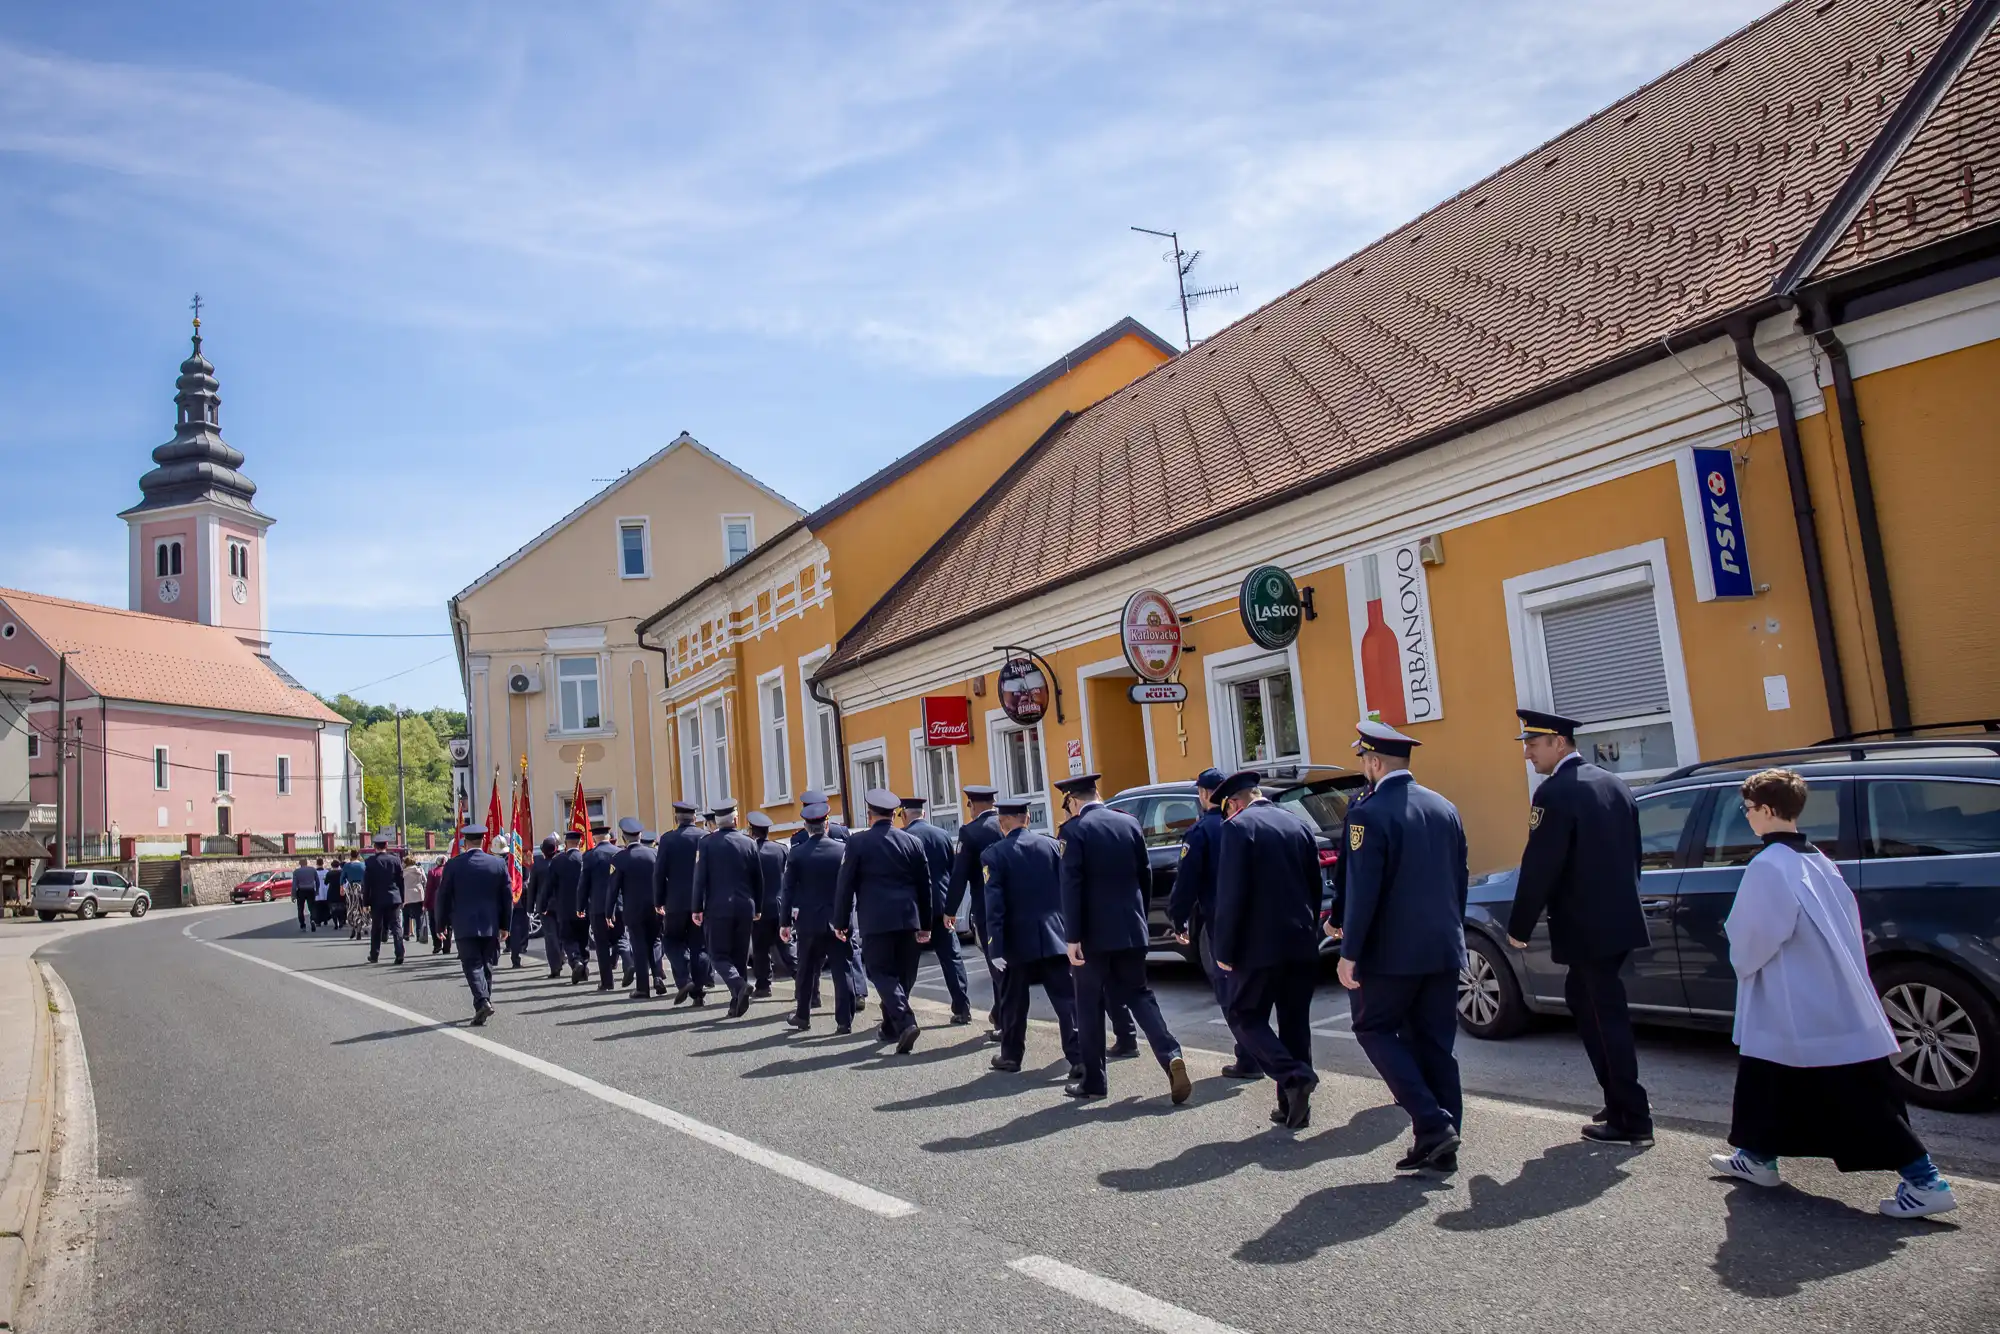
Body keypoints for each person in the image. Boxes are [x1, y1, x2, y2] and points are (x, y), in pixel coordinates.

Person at [1708, 769, 1957, 1218]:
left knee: (1853, 1093)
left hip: (1795, 996)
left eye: (1747, 810)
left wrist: (1737, 950)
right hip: (1826, 989)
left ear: (1765, 810)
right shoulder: (1818, 858)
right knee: (1768, 1079)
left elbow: (1754, 936)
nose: (1747, 817)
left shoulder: (1767, 866)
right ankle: (1757, 1156)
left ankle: (1925, 1180)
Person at [1506, 708, 1655, 1146]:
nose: (1529, 754)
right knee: (1587, 1003)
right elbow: (1635, 855)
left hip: (1588, 927)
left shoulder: (1555, 793)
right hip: (1618, 921)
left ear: (1558, 742)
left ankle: (1632, 1118)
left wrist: (1520, 925)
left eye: (1534, 745)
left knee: (1602, 1017)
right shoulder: (1612, 784)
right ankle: (1619, 1098)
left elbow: (1540, 866)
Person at [1338, 721, 1468, 1173]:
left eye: (1363, 761)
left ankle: (1432, 1124)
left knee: (1374, 1029)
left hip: (1392, 955)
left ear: (1374, 763)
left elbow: (1363, 891)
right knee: (1434, 1043)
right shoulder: (1444, 807)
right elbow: (1459, 880)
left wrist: (1349, 952)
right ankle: (1441, 1142)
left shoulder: (1367, 814)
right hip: (1443, 947)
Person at [1056, 773, 1190, 1105]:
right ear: (1097, 793)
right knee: (1139, 995)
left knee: (1088, 1005)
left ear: (1072, 801)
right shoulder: (1129, 824)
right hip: (1130, 927)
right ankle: (1170, 1053)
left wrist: (1072, 936)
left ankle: (1094, 1083)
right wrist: (1139, 918)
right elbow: (1144, 874)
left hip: (1092, 935)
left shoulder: (1073, 831)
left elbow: (1070, 886)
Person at [1212, 769, 1323, 1129]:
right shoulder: (1297, 824)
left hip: (1257, 948)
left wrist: (1224, 950)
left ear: (1233, 803)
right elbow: (1314, 886)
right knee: (1295, 1024)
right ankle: (1294, 1109)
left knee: (1245, 1015)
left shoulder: (1238, 828)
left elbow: (1231, 895)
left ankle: (1293, 1076)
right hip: (1301, 941)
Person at [1169, 768, 1260, 1080]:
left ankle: (1250, 1056)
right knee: (1251, 988)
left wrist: (1177, 920)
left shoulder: (1201, 832)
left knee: (1228, 990)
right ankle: (1255, 1050)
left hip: (1220, 922)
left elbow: (1186, 883)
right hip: (1256, 918)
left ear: (1205, 794)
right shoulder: (1247, 822)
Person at [983, 797, 1082, 1079]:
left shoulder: (994, 854)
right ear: (1028, 818)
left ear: (1002, 824)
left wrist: (995, 946)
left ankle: (1011, 1056)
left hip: (1016, 941)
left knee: (1013, 1002)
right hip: (1054, 934)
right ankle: (1078, 1057)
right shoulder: (1052, 845)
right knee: (1066, 1001)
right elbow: (1067, 889)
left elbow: (995, 905)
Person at [832, 788, 934, 1053]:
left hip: (876, 920)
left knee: (881, 973)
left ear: (870, 815)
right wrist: (926, 924)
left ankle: (905, 1022)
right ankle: (890, 1027)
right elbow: (926, 886)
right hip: (909, 919)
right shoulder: (913, 842)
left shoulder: (858, 843)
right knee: (903, 976)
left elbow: (845, 886)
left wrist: (841, 922)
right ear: (894, 815)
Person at [780, 797, 854, 1033]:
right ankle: (844, 1020)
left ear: (805, 827)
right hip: (837, 920)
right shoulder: (842, 850)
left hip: (808, 922)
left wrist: (785, 923)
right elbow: (849, 887)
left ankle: (803, 1015)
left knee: (805, 969)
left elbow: (788, 890)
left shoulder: (797, 854)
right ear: (827, 824)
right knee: (842, 969)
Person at [897, 795, 973, 1024]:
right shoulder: (941, 835)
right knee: (951, 957)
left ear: (903, 815)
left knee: (908, 961)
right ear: (924, 814)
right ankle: (962, 1008)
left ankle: (900, 1010)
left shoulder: (903, 838)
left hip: (915, 909)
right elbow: (952, 868)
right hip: (941, 905)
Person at [437, 822, 513, 1026]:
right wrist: (506, 925)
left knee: (472, 964)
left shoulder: (453, 865)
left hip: (464, 923)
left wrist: (440, 924)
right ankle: (483, 1003)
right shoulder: (497, 864)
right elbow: (506, 897)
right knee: (486, 964)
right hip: (490, 923)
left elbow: (443, 896)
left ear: (465, 843)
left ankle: (482, 1001)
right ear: (484, 841)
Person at [691, 801, 763, 1017]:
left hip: (718, 907)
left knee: (718, 955)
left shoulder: (706, 844)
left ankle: (738, 986)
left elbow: (699, 879)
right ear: (735, 820)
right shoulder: (749, 843)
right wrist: (757, 907)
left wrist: (696, 907)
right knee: (739, 955)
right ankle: (736, 1003)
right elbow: (758, 879)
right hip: (744, 907)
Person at [948, 785, 1004, 1036]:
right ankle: (1001, 1013)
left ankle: (1005, 1021)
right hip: (1015, 906)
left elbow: (959, 875)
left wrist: (949, 910)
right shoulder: (1006, 825)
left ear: (974, 805)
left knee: (997, 965)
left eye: (969, 805)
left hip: (987, 908)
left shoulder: (970, 832)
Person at [656, 801, 712, 1006]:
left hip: (676, 902)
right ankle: (698, 991)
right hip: (702, 902)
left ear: (676, 819)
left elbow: (659, 873)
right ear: (695, 818)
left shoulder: (668, 839)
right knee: (701, 946)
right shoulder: (705, 838)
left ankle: (684, 979)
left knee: (671, 942)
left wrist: (658, 900)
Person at [612, 817, 665, 999]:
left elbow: (614, 888)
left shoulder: (619, 858)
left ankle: (643, 988)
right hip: (655, 908)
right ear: (641, 835)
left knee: (640, 946)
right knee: (655, 942)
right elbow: (662, 880)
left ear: (624, 837)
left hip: (633, 910)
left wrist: (608, 911)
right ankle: (658, 976)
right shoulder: (654, 854)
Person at [747, 813, 796, 997]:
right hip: (779, 905)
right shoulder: (781, 849)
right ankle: (800, 976)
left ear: (752, 831)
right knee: (785, 945)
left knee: (760, 948)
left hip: (759, 907)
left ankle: (763, 985)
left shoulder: (750, 851)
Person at [580, 821, 627, 991]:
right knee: (621, 938)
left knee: (601, 944)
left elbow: (583, 884)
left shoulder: (590, 855)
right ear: (609, 837)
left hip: (598, 906)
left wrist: (580, 906)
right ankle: (628, 964)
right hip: (620, 904)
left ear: (594, 838)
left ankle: (607, 982)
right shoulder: (620, 853)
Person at [549, 828, 591, 982]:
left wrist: (543, 904)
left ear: (566, 843)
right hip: (584, 907)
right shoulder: (585, 858)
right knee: (583, 938)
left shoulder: (558, 860)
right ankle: (583, 968)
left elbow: (549, 885)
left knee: (568, 938)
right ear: (580, 842)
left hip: (564, 908)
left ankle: (575, 962)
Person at [362, 832, 406, 964]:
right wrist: (402, 898)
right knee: (396, 926)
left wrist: (365, 902)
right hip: (394, 898)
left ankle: (374, 955)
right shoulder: (395, 860)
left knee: (376, 927)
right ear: (387, 845)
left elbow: (367, 884)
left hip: (377, 899)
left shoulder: (370, 862)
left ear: (374, 846)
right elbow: (400, 881)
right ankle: (399, 953)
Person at [530, 835, 563, 977]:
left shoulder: (538, 866)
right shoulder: (562, 863)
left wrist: (530, 907)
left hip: (544, 906)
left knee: (550, 936)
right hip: (561, 904)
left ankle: (555, 966)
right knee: (562, 934)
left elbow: (532, 887)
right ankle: (562, 957)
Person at [402, 852, 428, 943]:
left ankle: (406, 934)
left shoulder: (404, 872)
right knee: (418, 916)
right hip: (418, 895)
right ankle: (418, 934)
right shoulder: (419, 870)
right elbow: (425, 881)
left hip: (407, 896)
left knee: (406, 915)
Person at [426, 855, 449, 954]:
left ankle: (437, 944)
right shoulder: (449, 872)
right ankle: (447, 946)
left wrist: (425, 903)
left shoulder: (432, 872)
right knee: (448, 923)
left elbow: (429, 889)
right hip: (448, 901)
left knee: (434, 923)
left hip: (434, 901)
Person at [342, 852, 367, 937]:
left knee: (351, 908)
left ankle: (353, 927)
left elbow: (342, 878)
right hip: (362, 888)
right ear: (358, 856)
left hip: (351, 888)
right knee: (361, 907)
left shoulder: (347, 866)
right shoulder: (363, 865)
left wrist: (341, 888)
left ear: (350, 856)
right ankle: (361, 927)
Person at [289, 857, 315, 931]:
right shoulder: (312, 870)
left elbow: (294, 885)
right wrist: (317, 891)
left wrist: (293, 895)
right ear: (307, 863)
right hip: (310, 890)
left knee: (300, 909)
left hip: (301, 891)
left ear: (300, 864)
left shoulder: (296, 872)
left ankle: (302, 925)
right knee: (312, 907)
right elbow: (317, 881)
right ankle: (313, 920)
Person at [310, 858, 333, 930]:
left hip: (318, 893)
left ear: (317, 864)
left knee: (318, 908)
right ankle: (326, 919)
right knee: (326, 907)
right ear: (323, 863)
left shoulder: (314, 873)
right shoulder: (327, 872)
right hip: (325, 892)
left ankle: (318, 921)